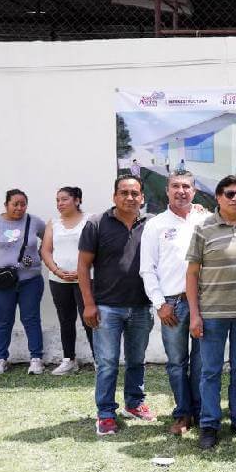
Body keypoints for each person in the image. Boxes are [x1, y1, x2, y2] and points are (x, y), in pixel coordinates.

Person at [186, 175, 236, 449]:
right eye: (230, 194)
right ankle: (209, 424)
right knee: (211, 371)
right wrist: (194, 314)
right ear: (218, 197)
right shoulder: (203, 228)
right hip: (212, 314)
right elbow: (192, 274)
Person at [79, 175, 156, 436]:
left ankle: (134, 404)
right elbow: (83, 266)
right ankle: (105, 413)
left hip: (142, 306)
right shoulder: (96, 223)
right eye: (124, 192)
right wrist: (89, 304)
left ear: (142, 197)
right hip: (106, 308)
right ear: (114, 196)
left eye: (135, 193)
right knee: (108, 362)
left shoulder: (151, 224)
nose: (129, 197)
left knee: (137, 360)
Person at [139, 172, 208, 435]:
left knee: (202, 362)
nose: (181, 191)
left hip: (203, 302)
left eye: (186, 186)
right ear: (167, 190)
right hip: (172, 305)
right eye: (175, 186)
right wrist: (160, 304)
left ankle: (201, 412)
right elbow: (147, 269)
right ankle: (183, 413)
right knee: (177, 362)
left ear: (194, 191)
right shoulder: (155, 225)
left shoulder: (205, 220)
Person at [0, 189, 47, 375]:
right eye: (15, 204)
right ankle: (0, 359)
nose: (19, 208)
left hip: (30, 281)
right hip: (1, 282)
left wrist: (40, 256)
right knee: (3, 320)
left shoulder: (34, 222)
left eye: (23, 204)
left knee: (31, 318)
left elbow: (49, 240)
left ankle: (36, 358)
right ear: (6, 204)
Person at [41, 186, 90, 375]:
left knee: (90, 319)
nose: (60, 203)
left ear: (77, 200)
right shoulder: (53, 223)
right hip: (58, 280)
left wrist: (81, 271)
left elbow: (97, 249)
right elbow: (46, 250)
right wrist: (57, 271)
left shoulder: (90, 220)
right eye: (57, 200)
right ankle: (69, 360)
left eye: (64, 199)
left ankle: (99, 359)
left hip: (85, 278)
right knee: (65, 320)